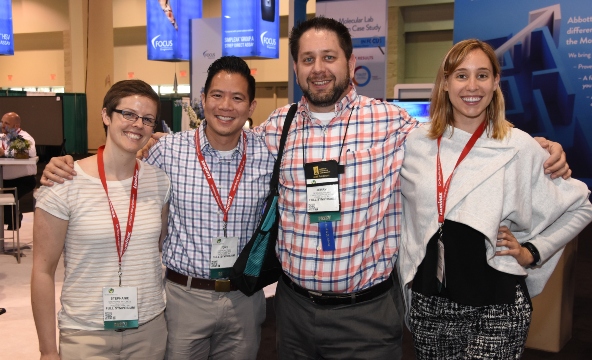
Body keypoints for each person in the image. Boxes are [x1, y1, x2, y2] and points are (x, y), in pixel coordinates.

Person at [42, 18, 570, 360]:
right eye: (308, 60)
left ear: (351, 65)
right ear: (296, 69)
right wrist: (69, 163)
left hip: (367, 314)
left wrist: (536, 145)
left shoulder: (392, 125)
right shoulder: (275, 129)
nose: (319, 69)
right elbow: (137, 147)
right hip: (292, 313)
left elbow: (457, 141)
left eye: (329, 58)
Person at [41, 56, 273, 359]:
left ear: (251, 107)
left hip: (244, 297)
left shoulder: (268, 158)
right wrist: (63, 165)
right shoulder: (167, 151)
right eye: (217, 95)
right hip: (184, 298)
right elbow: (121, 170)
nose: (226, 106)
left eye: (237, 97)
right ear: (203, 99)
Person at [398, 39, 592, 359]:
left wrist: (533, 251)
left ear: (495, 82)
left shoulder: (518, 145)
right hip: (429, 305)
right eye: (461, 75)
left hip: (496, 308)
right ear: (445, 82)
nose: (472, 86)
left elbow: (581, 204)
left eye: (482, 75)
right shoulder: (416, 142)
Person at [31, 80, 170, 360]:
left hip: (149, 331)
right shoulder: (64, 182)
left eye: (147, 119)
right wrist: (47, 350)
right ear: (106, 115)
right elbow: (42, 272)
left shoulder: (159, 181)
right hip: (86, 335)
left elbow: (158, 245)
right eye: (128, 114)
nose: (137, 124)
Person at [0, 112, 37, 229]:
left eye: (6, 123)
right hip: (3, 181)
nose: (2, 125)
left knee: (6, 204)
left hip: (23, 180)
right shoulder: (2, 137)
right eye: (2, 122)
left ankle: (14, 217)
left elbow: (28, 153)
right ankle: (13, 218)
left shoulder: (25, 137)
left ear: (16, 126)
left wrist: (4, 153)